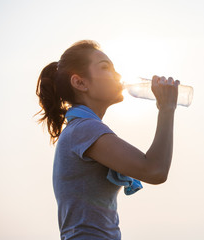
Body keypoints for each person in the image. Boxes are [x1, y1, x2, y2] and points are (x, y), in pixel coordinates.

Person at [35, 40, 180, 240]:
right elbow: (155, 170)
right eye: (105, 68)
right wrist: (167, 108)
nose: (118, 75)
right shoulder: (84, 129)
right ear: (80, 83)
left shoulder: (81, 128)